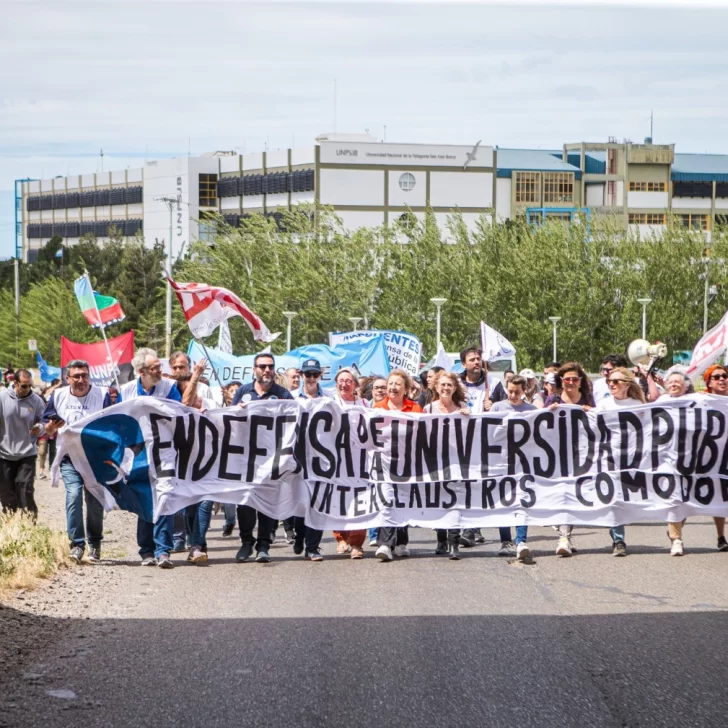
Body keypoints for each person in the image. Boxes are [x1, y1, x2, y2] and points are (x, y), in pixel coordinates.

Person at [118, 348, 179, 568]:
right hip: (138, 454)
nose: (160, 371)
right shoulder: (126, 391)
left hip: (164, 452)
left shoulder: (169, 387)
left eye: (160, 366)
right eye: (155, 368)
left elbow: (178, 413)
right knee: (145, 499)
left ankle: (163, 550)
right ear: (142, 371)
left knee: (164, 498)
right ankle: (146, 551)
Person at [231, 353, 295, 563]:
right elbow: (229, 420)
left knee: (268, 501)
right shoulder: (243, 392)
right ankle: (246, 542)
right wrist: (236, 411)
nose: (267, 370)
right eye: (262, 366)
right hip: (247, 458)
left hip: (272, 457)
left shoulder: (283, 393)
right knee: (246, 501)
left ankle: (264, 544)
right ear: (254, 369)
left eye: (270, 366)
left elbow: (296, 419)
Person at [42, 360, 106, 564]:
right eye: (76, 376)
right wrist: (52, 427)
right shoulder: (58, 395)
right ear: (67, 378)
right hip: (69, 457)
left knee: (95, 503)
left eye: (84, 375)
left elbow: (112, 425)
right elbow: (48, 428)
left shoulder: (102, 395)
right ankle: (77, 544)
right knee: (74, 496)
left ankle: (95, 543)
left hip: (94, 459)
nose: (81, 380)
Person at [590, 366, 646, 557]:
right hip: (610, 459)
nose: (611, 384)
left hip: (633, 459)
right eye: (609, 381)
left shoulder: (638, 405)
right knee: (615, 499)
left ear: (627, 384)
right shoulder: (605, 404)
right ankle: (618, 539)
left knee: (626, 500)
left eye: (616, 381)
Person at [546, 362, 597, 558]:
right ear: (561, 381)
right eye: (567, 379)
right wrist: (548, 411)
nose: (570, 382)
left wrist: (590, 412)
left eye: (574, 379)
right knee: (560, 495)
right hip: (556, 454)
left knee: (572, 494)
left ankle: (565, 536)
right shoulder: (553, 398)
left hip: (580, 454)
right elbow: (538, 422)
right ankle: (564, 536)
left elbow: (598, 423)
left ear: (580, 381)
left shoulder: (587, 399)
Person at [373, 369, 423, 562]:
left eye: (397, 384)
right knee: (387, 500)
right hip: (384, 463)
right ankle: (384, 544)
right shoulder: (377, 407)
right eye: (390, 384)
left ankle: (401, 542)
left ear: (406, 389)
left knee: (402, 501)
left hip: (407, 464)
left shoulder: (415, 409)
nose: (393, 388)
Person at [424, 371, 469, 560]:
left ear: (455, 388)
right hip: (435, 463)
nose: (445, 388)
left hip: (458, 462)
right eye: (442, 385)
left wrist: (469, 418)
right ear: (436, 387)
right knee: (440, 501)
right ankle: (441, 539)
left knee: (456, 502)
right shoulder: (428, 409)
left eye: (449, 385)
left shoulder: (463, 407)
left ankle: (454, 542)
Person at [491, 375, 537, 561]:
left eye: (517, 392)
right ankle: (505, 540)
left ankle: (521, 541)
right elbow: (484, 432)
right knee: (504, 500)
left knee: (522, 500)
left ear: (524, 391)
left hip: (524, 464)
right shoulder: (497, 408)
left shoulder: (531, 410)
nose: (513, 395)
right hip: (501, 462)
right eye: (510, 391)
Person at [330, 367, 369, 557]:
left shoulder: (365, 404)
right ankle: (341, 537)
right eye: (341, 380)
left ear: (355, 385)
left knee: (360, 499)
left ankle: (357, 543)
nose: (344, 384)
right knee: (338, 499)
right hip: (336, 459)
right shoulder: (328, 403)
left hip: (359, 460)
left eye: (349, 381)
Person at [291, 358, 326, 561]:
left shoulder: (329, 398)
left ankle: (312, 547)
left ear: (320, 375)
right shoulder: (292, 398)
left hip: (322, 459)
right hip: (298, 457)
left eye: (315, 374)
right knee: (301, 503)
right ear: (301, 375)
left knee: (318, 503)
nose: (311, 378)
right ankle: (299, 535)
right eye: (308, 374)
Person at [0, 369, 46, 519]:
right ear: (15, 383)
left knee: (24, 488)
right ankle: (11, 525)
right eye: (24, 386)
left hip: (27, 453)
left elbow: (43, 420)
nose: (28, 390)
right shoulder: (2, 398)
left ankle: (29, 523)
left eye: (30, 386)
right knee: (6, 492)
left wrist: (40, 427)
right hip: (4, 454)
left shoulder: (36, 400)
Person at [656, 370, 690, 555]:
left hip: (690, 458)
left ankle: (674, 529)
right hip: (667, 458)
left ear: (685, 386)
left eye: (678, 382)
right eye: (672, 382)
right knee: (675, 497)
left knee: (687, 500)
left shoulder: (695, 401)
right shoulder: (660, 402)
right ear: (667, 384)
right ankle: (677, 539)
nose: (675, 384)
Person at [702, 364, 728, 552]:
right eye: (717, 377)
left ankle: (721, 536)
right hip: (710, 457)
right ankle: (676, 529)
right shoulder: (702, 401)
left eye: (725, 376)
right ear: (709, 382)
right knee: (716, 497)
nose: (722, 379)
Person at [458, 346, 505, 413]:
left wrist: (494, 407)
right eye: (472, 360)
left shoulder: (494, 383)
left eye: (478, 359)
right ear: (464, 364)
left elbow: (506, 408)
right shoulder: (456, 384)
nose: (476, 362)